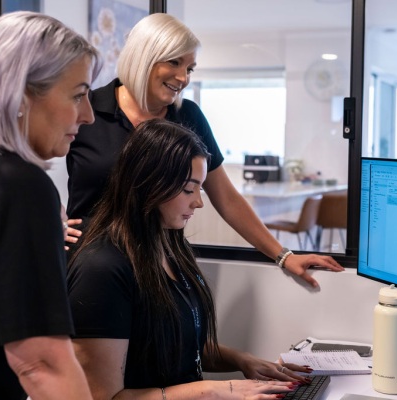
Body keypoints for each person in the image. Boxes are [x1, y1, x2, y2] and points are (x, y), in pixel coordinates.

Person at [65, 13, 344, 288]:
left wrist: (283, 255)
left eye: (189, 68)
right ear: (143, 57)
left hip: (160, 268)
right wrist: (53, 219)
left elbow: (226, 197)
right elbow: (27, 159)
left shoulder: (187, 116)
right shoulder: (89, 107)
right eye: (174, 62)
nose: (183, 77)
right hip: (92, 267)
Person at [67, 119, 311, 400]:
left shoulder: (170, 245)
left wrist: (241, 360)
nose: (199, 202)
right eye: (188, 190)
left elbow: (178, 344)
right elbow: (106, 397)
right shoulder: (102, 270)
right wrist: (215, 389)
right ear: (150, 183)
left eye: (200, 189)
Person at [0, 11, 102, 399]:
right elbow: (42, 364)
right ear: (20, 94)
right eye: (78, 95)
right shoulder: (17, 188)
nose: (89, 116)